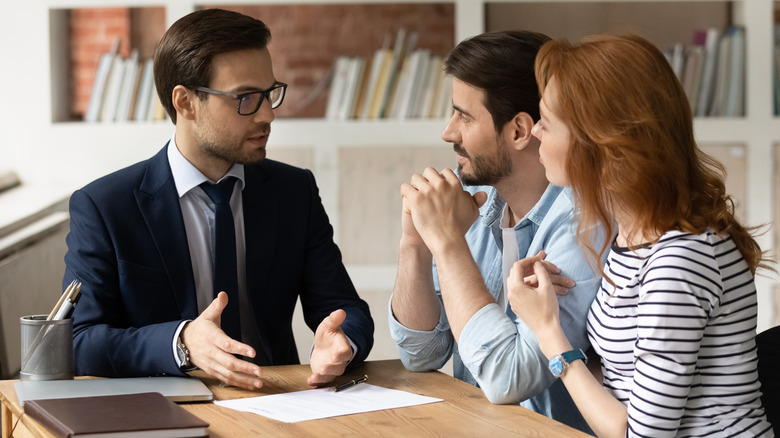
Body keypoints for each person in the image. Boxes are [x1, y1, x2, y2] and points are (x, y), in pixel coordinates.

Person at [64, 8, 374, 390]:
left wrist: (343, 342)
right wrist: (181, 343)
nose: (266, 115)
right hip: (163, 409)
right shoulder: (105, 207)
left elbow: (344, 308)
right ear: (185, 102)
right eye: (245, 98)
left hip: (279, 400)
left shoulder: (294, 192)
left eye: (269, 94)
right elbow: (79, 341)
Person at [507, 33, 773, 437]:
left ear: (601, 143)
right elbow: (626, 381)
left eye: (548, 121)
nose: (536, 132)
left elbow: (642, 435)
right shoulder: (634, 238)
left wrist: (547, 332)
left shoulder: (680, 260)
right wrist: (552, 314)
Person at [389, 30, 603, 432]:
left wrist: (448, 244)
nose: (448, 133)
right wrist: (416, 244)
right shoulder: (479, 201)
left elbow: (511, 378)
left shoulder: (583, 224)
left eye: (464, 116)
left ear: (520, 130)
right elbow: (421, 353)